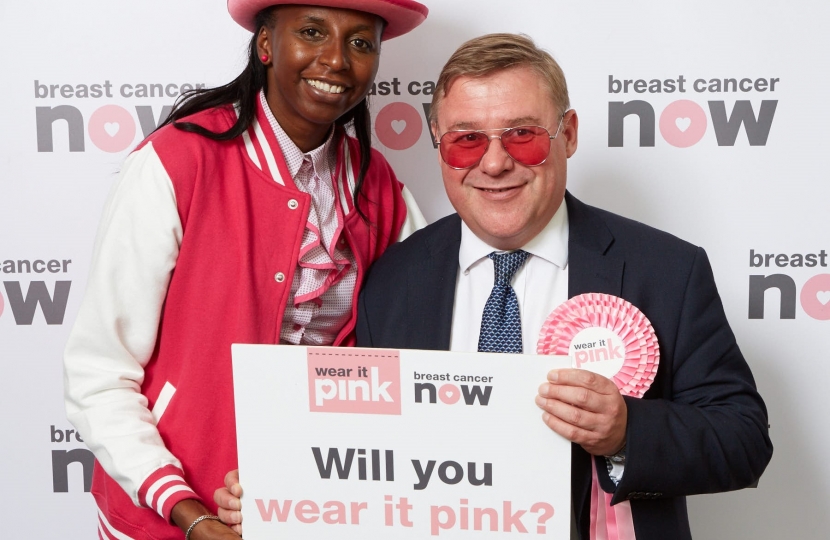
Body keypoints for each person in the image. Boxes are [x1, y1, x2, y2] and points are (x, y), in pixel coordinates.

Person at [216, 33, 773, 539]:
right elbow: (367, 454)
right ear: (439, 146)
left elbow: (745, 441)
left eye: (523, 135)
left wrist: (627, 430)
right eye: (466, 140)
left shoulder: (666, 269)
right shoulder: (394, 280)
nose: (496, 162)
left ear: (569, 135)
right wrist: (282, 491)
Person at [63, 1, 428, 539]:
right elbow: (98, 374)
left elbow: (426, 331)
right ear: (264, 45)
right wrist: (189, 513)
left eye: (360, 42)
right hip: (169, 511)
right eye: (311, 32)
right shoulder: (178, 161)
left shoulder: (378, 184)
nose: (336, 60)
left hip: (311, 505)